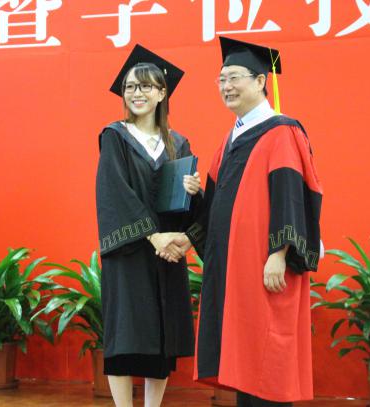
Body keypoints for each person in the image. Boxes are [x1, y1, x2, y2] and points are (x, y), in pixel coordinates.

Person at [182, 37, 324, 406]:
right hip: (237, 268)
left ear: (261, 81)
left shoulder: (281, 131)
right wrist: (195, 195)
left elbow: (290, 193)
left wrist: (279, 252)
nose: (226, 86)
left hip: (265, 265)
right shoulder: (232, 137)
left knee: (267, 356)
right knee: (246, 357)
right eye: (221, 80)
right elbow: (217, 206)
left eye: (234, 77)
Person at [95, 44, 201, 407]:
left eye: (145, 86)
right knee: (125, 336)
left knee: (160, 337)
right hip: (129, 251)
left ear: (161, 93)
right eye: (130, 87)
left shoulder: (177, 143)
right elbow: (115, 192)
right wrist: (153, 236)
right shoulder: (115, 136)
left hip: (166, 254)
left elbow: (182, 204)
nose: (136, 93)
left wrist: (192, 192)